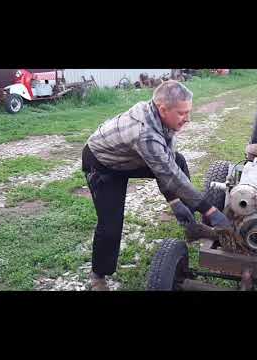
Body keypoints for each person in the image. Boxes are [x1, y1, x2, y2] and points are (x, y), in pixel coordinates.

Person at [81, 80, 232, 290]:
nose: (187, 119)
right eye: (182, 113)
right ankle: (98, 275)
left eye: (188, 111)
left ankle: (191, 228)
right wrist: (210, 210)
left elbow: (169, 162)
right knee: (111, 225)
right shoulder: (144, 132)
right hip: (104, 165)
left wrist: (177, 203)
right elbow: (169, 175)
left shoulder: (162, 118)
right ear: (163, 109)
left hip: (131, 157)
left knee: (177, 160)